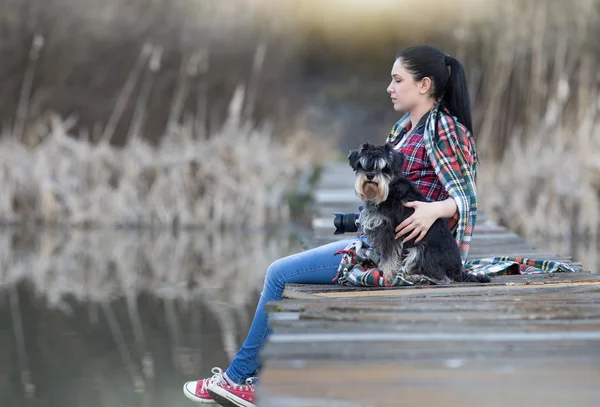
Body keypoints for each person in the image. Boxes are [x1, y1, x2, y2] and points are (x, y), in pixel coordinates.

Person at [182, 45, 478, 406]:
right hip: (382, 243)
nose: (390, 87)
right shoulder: (404, 128)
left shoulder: (444, 128)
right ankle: (249, 379)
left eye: (398, 80)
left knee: (278, 274)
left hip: (402, 258)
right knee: (286, 278)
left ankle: (236, 379)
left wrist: (434, 210)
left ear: (424, 85)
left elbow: (467, 197)